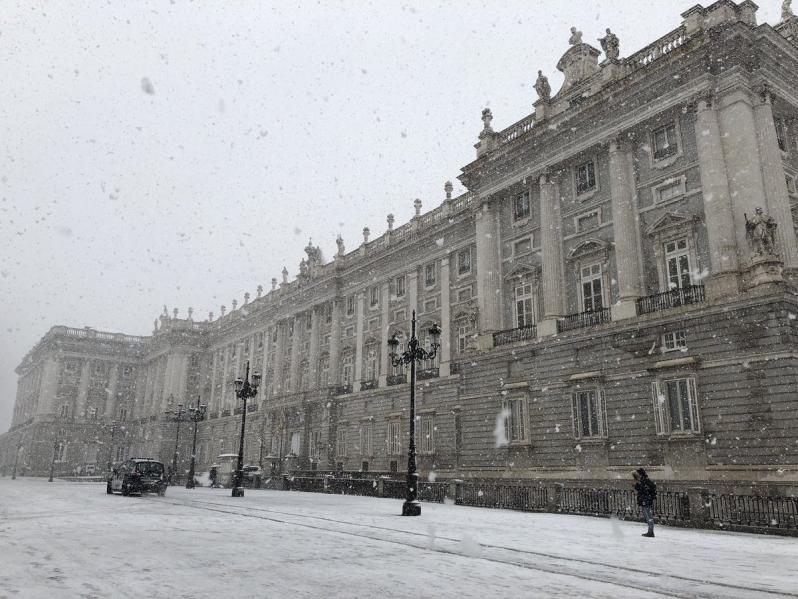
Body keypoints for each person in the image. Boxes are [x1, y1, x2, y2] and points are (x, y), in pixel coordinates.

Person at [633, 468, 657, 537]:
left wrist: (636, 486)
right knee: (648, 517)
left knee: (649, 517)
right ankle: (650, 531)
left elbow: (643, 490)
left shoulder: (644, 481)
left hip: (646, 501)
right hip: (646, 500)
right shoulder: (645, 480)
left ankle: (650, 532)